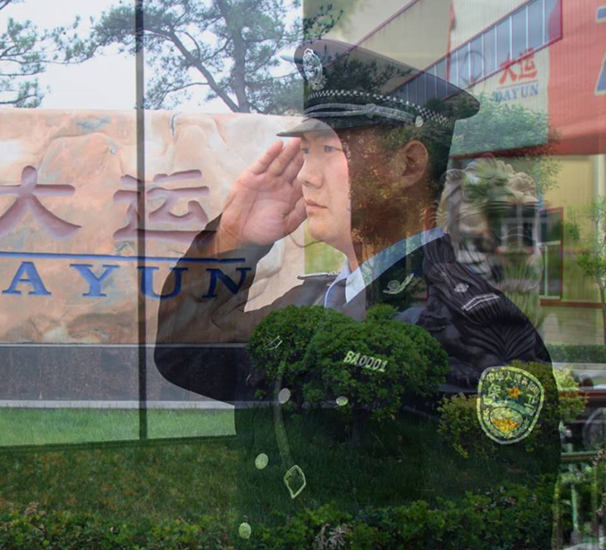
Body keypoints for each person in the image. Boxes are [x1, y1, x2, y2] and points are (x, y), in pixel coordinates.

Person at [155, 39, 560, 546]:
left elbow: (499, 522)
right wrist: (235, 240)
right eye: (306, 151)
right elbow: (184, 355)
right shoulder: (314, 302)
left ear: (409, 165)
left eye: (330, 150)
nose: (307, 175)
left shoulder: (469, 320)